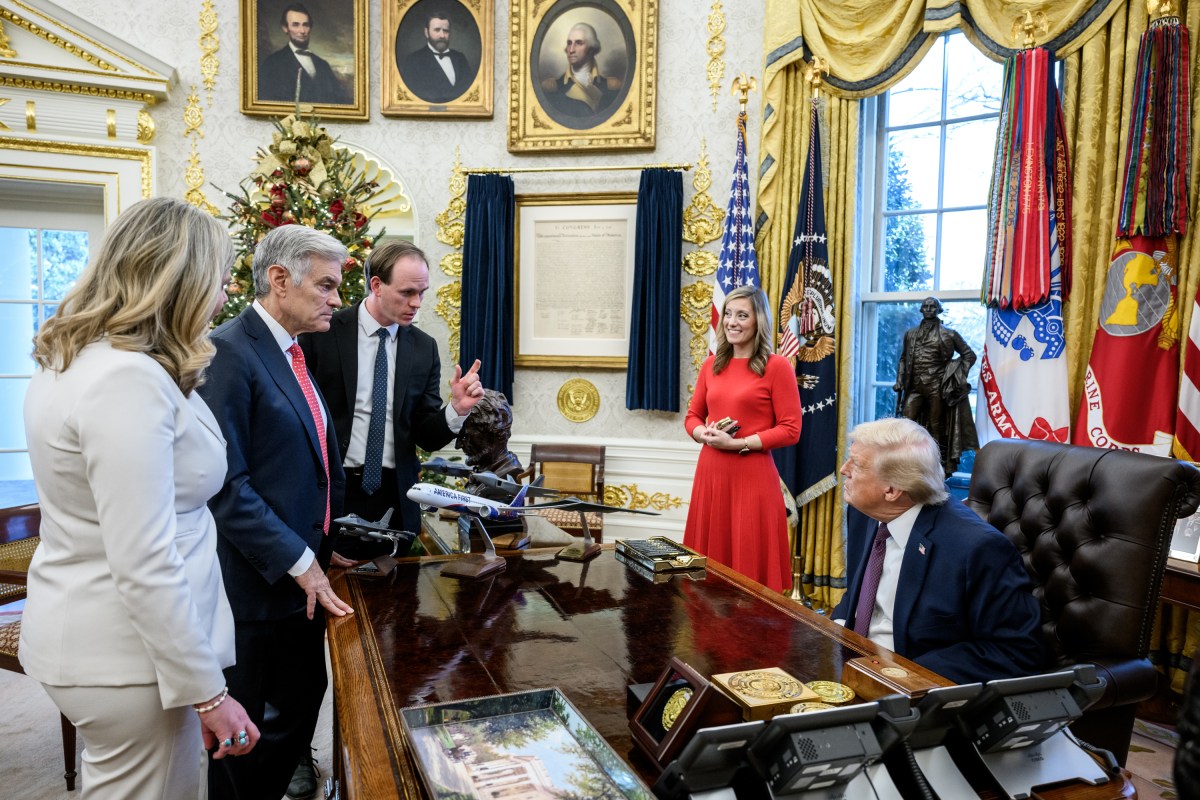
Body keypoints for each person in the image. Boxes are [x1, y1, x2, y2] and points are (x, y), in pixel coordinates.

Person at [20, 197, 259, 798]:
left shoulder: (71, 359)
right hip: (130, 662)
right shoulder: (128, 379)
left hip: (99, 636)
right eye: (219, 277)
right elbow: (145, 560)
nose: (224, 293)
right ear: (179, 279)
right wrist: (209, 692)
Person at [199, 224, 355, 800]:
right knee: (244, 747)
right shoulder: (229, 352)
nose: (338, 300)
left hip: (298, 579)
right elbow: (227, 486)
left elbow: (300, 464)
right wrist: (297, 557)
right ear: (279, 279)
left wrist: (323, 539)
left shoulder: (290, 349)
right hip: (254, 590)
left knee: (295, 711)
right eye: (327, 285)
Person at [831, 417, 1044, 684]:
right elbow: (861, 592)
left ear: (892, 490)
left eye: (857, 465)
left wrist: (903, 675)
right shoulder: (866, 512)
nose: (843, 469)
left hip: (915, 689)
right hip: (852, 665)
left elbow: (1015, 652)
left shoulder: (978, 549)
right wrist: (836, 631)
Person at [299, 240, 484, 538]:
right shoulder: (323, 332)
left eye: (421, 292)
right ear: (377, 285)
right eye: (407, 292)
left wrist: (456, 410)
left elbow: (425, 435)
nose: (417, 303)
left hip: (396, 499)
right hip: (334, 490)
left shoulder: (425, 348)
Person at [683, 285, 801, 592]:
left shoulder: (777, 367)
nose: (732, 322)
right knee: (708, 573)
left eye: (742, 315)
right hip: (711, 474)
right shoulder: (712, 365)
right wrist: (704, 434)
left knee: (749, 574)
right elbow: (692, 417)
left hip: (752, 477)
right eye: (728, 314)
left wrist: (736, 444)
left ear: (758, 321)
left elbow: (791, 429)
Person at [893, 296, 979, 476]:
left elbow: (969, 355)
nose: (929, 309)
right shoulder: (911, 334)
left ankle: (936, 464)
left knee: (936, 425)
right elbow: (903, 359)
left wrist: (954, 375)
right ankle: (907, 460)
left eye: (933, 306)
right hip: (915, 386)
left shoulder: (949, 334)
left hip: (936, 386)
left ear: (938, 310)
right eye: (925, 306)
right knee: (907, 422)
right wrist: (900, 380)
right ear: (921, 309)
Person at [258, 3, 350, 105]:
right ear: (285, 28)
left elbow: (340, 101)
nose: (302, 31)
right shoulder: (272, 63)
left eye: (305, 25)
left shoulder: (323, 65)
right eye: (296, 25)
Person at [540, 21, 622, 121]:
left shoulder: (613, 87)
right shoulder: (552, 88)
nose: (571, 50)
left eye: (578, 43)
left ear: (591, 48)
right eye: (569, 43)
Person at [457, 389, 522, 500]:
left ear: (496, 434)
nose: (458, 445)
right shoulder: (482, 471)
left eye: (466, 436)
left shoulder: (507, 476)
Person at [400, 9, 473, 104]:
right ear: (426, 32)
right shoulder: (413, 60)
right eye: (437, 30)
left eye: (446, 31)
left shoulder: (460, 58)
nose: (442, 35)